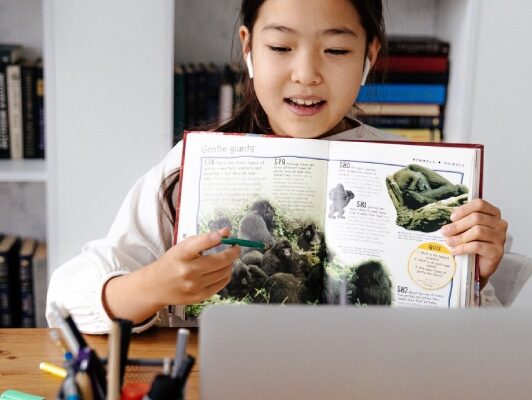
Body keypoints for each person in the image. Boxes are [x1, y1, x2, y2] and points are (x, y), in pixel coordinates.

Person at [47, 0, 508, 334]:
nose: (306, 73)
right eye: (282, 47)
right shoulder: (190, 167)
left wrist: (473, 278)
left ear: (370, 55)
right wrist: (152, 285)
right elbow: (66, 296)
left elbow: (478, 352)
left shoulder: (415, 171)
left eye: (337, 50)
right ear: (248, 48)